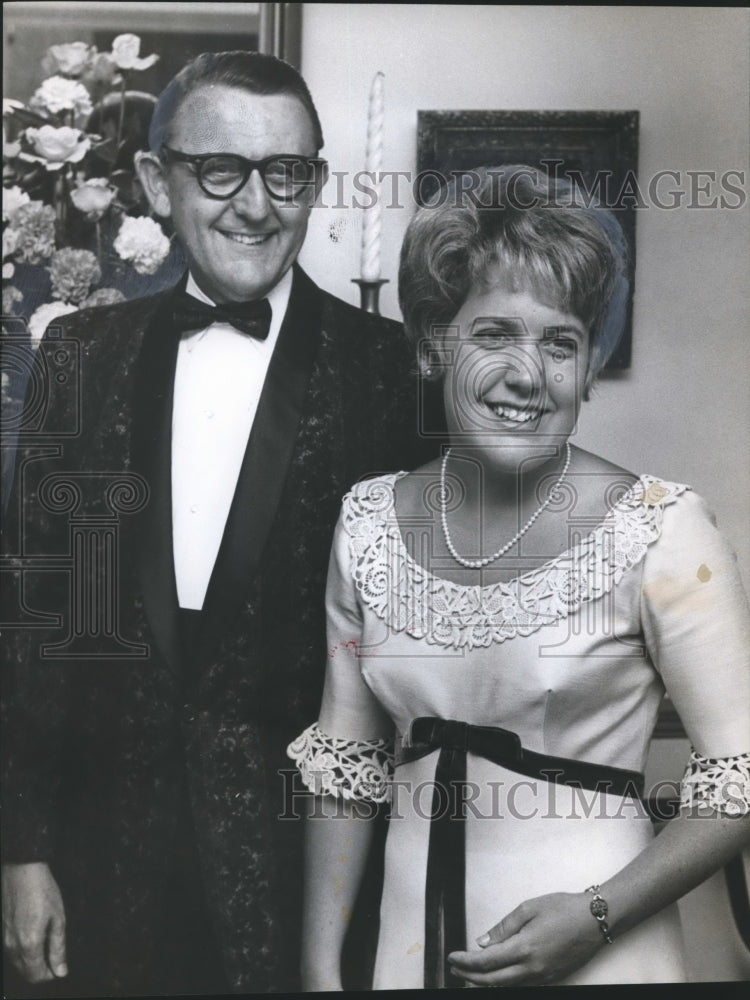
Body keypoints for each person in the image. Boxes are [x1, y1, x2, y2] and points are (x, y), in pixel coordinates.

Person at [1, 51, 435, 996]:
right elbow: (33, 617)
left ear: (314, 183)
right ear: (159, 182)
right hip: (101, 856)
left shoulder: (387, 369)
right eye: (222, 171)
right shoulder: (79, 356)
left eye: (286, 174)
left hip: (307, 864)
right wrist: (20, 850)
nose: (257, 205)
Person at [289, 165, 750, 988]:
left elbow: (739, 783)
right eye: (495, 334)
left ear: (588, 364)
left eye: (561, 341)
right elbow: (347, 762)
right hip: (409, 953)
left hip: (607, 954)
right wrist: (322, 969)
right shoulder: (366, 522)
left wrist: (596, 916)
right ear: (434, 343)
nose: (529, 374)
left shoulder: (662, 527)